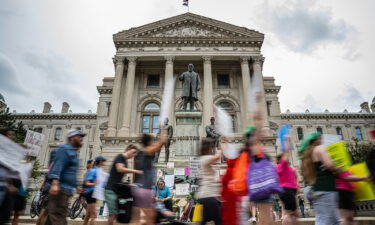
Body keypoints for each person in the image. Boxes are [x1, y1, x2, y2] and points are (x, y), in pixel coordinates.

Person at [298, 132, 341, 225]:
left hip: (314, 189)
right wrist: (338, 168)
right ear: (317, 139)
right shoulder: (320, 148)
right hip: (325, 188)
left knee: (327, 219)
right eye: (320, 138)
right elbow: (329, 165)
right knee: (328, 220)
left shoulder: (306, 156)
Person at [45, 129, 85, 225]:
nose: (81, 139)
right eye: (78, 136)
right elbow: (58, 165)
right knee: (59, 217)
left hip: (66, 190)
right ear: (71, 138)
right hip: (60, 189)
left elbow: (71, 172)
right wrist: (55, 183)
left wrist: (77, 185)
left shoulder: (73, 153)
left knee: (53, 219)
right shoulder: (64, 149)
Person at [132, 133, 167, 225]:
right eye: (152, 140)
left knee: (137, 220)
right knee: (150, 219)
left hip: (139, 188)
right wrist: (163, 131)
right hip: (145, 189)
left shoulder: (141, 152)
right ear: (149, 142)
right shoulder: (148, 150)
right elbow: (161, 143)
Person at [104, 144, 143, 225]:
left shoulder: (125, 161)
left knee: (115, 214)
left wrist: (129, 184)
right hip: (110, 190)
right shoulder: (120, 157)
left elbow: (120, 179)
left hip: (115, 190)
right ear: (128, 149)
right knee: (113, 214)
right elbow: (120, 169)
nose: (134, 155)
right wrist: (135, 171)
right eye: (134, 152)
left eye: (135, 154)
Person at [196, 138, 222, 225]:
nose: (212, 149)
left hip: (206, 195)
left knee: (204, 221)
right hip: (209, 195)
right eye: (211, 147)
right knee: (219, 221)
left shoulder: (202, 159)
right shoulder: (205, 158)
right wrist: (220, 149)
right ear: (208, 148)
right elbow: (217, 158)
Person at [82, 156, 107, 225]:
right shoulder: (93, 171)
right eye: (103, 161)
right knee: (94, 214)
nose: (104, 163)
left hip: (94, 194)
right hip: (91, 193)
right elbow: (86, 183)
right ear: (99, 162)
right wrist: (94, 183)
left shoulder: (99, 171)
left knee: (88, 215)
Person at [276, 151, 299, 225]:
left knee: (292, 213)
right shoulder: (282, 165)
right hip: (287, 190)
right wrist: (287, 142)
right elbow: (286, 153)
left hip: (286, 191)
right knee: (290, 213)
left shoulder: (281, 167)